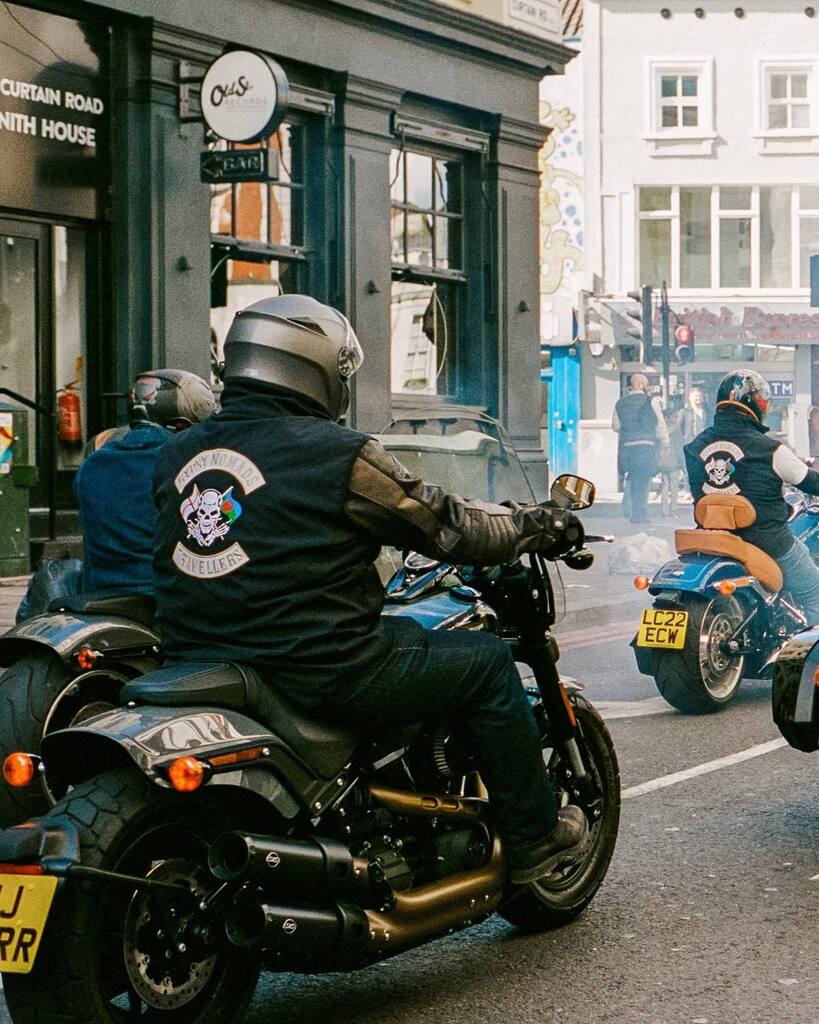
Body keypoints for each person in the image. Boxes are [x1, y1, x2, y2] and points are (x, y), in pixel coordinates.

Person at [152, 295, 589, 885]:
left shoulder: (178, 452)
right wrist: (532, 524)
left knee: (409, 631)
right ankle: (534, 838)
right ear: (315, 369)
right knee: (484, 661)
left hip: (199, 658)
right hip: (322, 668)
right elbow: (448, 526)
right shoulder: (338, 455)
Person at [684, 368, 819, 624]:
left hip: (713, 537)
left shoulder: (694, 447)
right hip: (765, 540)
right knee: (815, 594)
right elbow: (810, 481)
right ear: (759, 404)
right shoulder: (771, 449)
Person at [75, 369, 215, 597]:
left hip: (100, 591)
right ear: (181, 424)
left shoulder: (91, 464)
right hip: (163, 596)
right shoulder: (184, 466)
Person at [612, 373, 669, 524]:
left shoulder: (620, 403)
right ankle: (641, 513)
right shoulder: (651, 401)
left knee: (632, 479)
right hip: (646, 445)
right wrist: (665, 443)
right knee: (644, 480)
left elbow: (616, 426)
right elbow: (660, 424)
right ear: (642, 385)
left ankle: (634, 511)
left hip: (628, 447)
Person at [660, 405, 685, 518]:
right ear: (668, 417)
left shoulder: (660, 430)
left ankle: (664, 510)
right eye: (674, 416)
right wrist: (683, 465)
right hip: (674, 462)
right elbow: (680, 448)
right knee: (674, 487)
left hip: (662, 461)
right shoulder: (676, 431)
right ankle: (673, 510)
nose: (676, 418)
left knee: (664, 486)